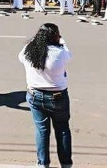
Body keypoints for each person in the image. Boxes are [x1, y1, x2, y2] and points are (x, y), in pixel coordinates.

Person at [19, 23, 72, 168]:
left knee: (42, 131)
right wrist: (62, 40)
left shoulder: (28, 51)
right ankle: (66, 164)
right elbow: (68, 54)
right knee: (62, 130)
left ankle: (43, 164)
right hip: (58, 96)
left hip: (35, 95)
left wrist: (35, 41)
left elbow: (21, 56)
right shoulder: (60, 52)